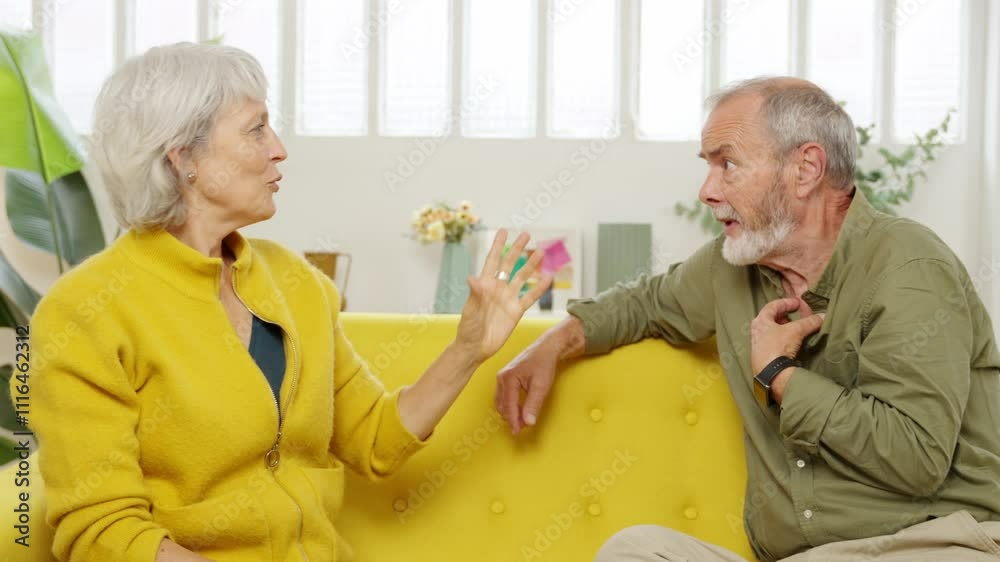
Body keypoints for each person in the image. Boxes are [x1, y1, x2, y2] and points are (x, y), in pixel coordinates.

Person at [25, 42, 550, 562]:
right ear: (183, 158)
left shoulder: (295, 282)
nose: (279, 148)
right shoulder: (86, 311)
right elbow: (103, 531)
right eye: (256, 129)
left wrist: (468, 349)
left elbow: (375, 439)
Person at [495, 77, 1000, 561]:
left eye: (727, 164)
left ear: (805, 169)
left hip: (932, 544)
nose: (707, 191)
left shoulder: (909, 266)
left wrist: (781, 377)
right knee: (633, 550)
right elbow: (644, 304)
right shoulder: (730, 267)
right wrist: (552, 344)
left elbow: (915, 457)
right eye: (708, 166)